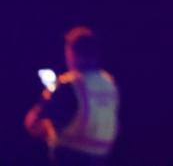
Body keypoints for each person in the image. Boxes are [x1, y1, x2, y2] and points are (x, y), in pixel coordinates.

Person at [25, 27, 119, 165]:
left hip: (71, 156)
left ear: (71, 53)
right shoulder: (109, 83)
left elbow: (33, 122)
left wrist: (48, 133)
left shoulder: (69, 84)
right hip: (103, 157)